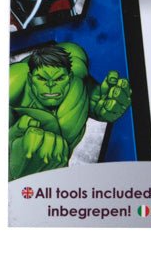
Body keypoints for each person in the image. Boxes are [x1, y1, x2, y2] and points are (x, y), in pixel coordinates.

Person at [9, 43, 131, 179]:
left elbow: (85, 83)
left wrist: (94, 99)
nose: (50, 85)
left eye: (59, 78)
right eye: (42, 78)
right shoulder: (13, 84)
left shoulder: (76, 71)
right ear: (31, 79)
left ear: (69, 77)